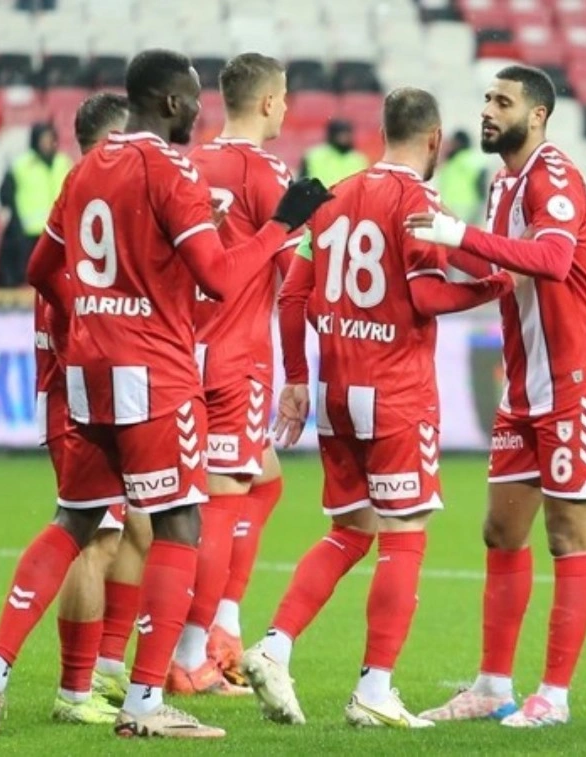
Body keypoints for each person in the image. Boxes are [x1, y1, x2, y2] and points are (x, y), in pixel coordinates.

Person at [0, 48, 331, 739]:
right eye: (193, 100)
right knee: (180, 524)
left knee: (74, 521)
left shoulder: (85, 169)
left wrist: (96, 316)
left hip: (87, 371)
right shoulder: (169, 168)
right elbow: (220, 278)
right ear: (169, 102)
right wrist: (281, 225)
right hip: (155, 374)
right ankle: (144, 702)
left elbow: (41, 267)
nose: (199, 112)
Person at [240, 87, 516, 729]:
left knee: (349, 531)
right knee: (405, 534)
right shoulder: (419, 202)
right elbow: (426, 297)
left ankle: (275, 648)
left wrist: (297, 378)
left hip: (335, 392)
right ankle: (374, 689)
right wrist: (494, 285)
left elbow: (292, 296)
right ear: (434, 139)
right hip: (394, 393)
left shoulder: (332, 196)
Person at [404, 64, 586, 728]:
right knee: (501, 530)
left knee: (567, 533)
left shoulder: (555, 176)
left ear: (538, 116)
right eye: (486, 99)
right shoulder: (504, 184)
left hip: (575, 382)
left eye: (503, 101)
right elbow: (500, 264)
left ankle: (553, 696)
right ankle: (492, 686)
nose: (488, 110)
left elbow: (553, 260)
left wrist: (460, 236)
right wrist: (442, 240)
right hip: (525, 386)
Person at [167, 52, 298, 696]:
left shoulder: (189, 163)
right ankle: (194, 655)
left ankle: (223, 623)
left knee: (264, 485)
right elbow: (295, 278)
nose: (287, 108)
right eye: (285, 98)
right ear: (270, 102)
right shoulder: (267, 172)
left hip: (181, 351)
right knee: (220, 507)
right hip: (236, 360)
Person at [36, 92, 136, 727]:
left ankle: (103, 666)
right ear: (110, 142)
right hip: (78, 397)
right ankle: (75, 690)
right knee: (93, 538)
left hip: (86, 392)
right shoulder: (88, 207)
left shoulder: (80, 202)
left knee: (127, 533)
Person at [0, 122, 72, 288]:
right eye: (44, 139)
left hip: (58, 231)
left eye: (50, 139)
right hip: (28, 233)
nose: (47, 143)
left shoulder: (63, 163)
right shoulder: (21, 165)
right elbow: (4, 195)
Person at [436, 129, 488, 225]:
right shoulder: (453, 160)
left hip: (464, 207)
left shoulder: (466, 158)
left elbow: (482, 179)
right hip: (455, 206)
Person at [299, 118, 368, 187]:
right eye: (340, 134)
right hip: (321, 194)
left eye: (346, 134)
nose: (343, 138)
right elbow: (302, 184)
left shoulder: (359, 159)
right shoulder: (313, 156)